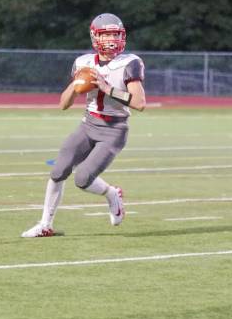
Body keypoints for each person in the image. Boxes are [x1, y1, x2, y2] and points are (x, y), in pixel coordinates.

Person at [22, 13, 146, 238]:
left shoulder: (129, 63)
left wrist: (107, 89)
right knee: (58, 171)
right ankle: (45, 225)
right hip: (87, 125)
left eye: (115, 34)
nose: (111, 40)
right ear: (95, 36)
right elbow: (63, 104)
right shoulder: (83, 62)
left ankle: (111, 194)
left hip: (114, 130)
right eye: (106, 34)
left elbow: (139, 103)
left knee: (82, 179)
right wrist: (77, 84)